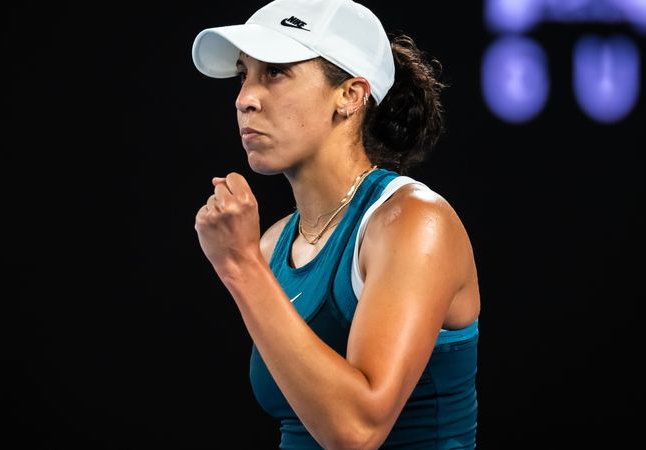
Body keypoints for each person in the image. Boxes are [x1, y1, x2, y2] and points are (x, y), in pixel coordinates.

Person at [192, 0, 480, 448]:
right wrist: (247, 261)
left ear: (349, 94)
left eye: (275, 72)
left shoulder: (417, 223)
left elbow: (357, 431)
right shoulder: (272, 245)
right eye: (242, 74)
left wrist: (239, 265)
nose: (245, 98)